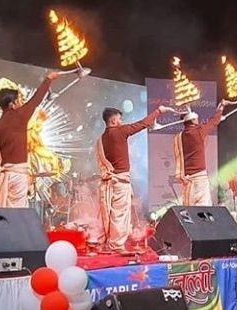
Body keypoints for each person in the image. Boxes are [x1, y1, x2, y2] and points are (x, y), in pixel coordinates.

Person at [95, 105, 168, 252]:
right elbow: (142, 124)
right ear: (113, 121)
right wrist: (158, 111)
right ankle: (116, 245)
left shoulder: (101, 139)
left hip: (110, 182)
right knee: (119, 214)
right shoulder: (119, 131)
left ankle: (110, 243)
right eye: (120, 119)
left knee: (111, 214)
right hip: (119, 181)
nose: (121, 122)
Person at [0, 72, 57, 208]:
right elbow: (36, 100)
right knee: (17, 217)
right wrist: (49, 79)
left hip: (4, 177)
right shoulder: (19, 116)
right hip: (17, 177)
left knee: (4, 217)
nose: (21, 103)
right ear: (12, 104)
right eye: (18, 100)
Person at [173, 101, 226, 206]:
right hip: (200, 178)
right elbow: (213, 121)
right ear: (192, 120)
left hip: (187, 181)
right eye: (196, 119)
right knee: (203, 209)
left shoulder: (178, 137)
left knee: (190, 211)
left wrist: (218, 117)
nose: (198, 120)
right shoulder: (198, 131)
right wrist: (221, 107)